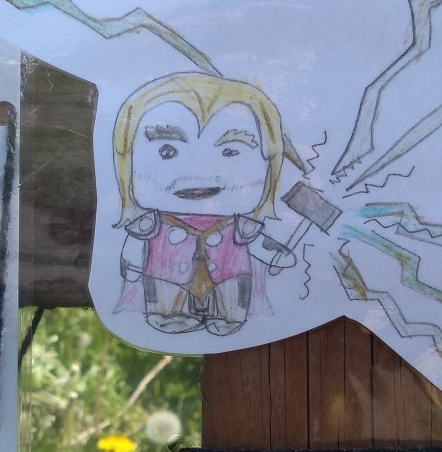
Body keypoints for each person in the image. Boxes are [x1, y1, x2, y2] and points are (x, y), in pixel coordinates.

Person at [111, 72, 302, 335]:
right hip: (166, 278)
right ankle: (168, 315)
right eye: (168, 151)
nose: (198, 170)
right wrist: (132, 266)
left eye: (230, 151)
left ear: (270, 163)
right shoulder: (150, 223)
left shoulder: (239, 224)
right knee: (166, 300)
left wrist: (277, 256)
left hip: (228, 280)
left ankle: (228, 318)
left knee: (230, 301)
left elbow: (260, 243)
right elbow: (134, 246)